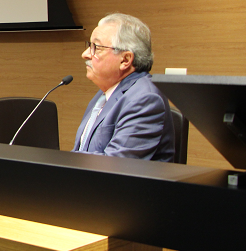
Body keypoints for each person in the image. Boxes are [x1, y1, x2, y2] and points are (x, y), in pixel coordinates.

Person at [73, 13, 174, 161]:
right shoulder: (104, 94)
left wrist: (62, 159)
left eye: (96, 47)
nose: (85, 54)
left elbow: (117, 163)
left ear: (125, 60)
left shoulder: (144, 99)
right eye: (89, 45)